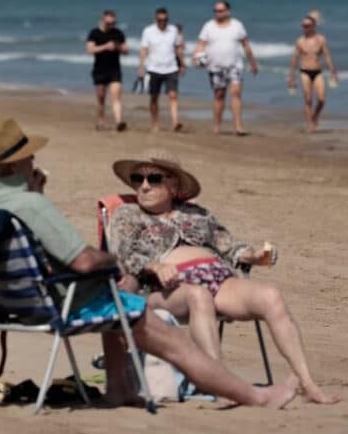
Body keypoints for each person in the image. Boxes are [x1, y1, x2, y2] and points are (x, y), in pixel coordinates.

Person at [0, 117, 297, 408]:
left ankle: (119, 389)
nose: (33, 161)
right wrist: (111, 261)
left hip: (16, 304)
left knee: (114, 297)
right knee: (174, 341)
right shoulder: (32, 207)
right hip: (64, 304)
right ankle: (255, 397)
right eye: (27, 157)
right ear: (12, 166)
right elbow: (83, 260)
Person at [107, 151, 339, 404]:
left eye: (153, 178)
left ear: (174, 185)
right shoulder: (127, 215)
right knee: (199, 296)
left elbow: (229, 246)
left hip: (219, 279)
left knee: (270, 296)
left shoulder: (197, 214)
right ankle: (222, 387)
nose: (144, 185)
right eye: (137, 178)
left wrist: (253, 255)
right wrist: (154, 266)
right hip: (162, 289)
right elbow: (122, 255)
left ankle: (308, 385)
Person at [193, 1, 259, 136]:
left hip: (234, 66)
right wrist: (195, 58)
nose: (218, 13)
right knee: (219, 96)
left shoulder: (237, 26)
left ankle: (239, 127)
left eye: (221, 10)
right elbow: (201, 44)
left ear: (228, 11)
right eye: (216, 10)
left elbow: (246, 45)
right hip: (215, 67)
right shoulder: (208, 26)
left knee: (235, 93)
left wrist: (253, 63)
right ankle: (217, 127)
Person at [138, 7, 186, 132]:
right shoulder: (148, 31)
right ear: (156, 19)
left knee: (173, 95)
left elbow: (178, 48)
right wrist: (141, 67)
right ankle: (155, 124)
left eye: (165, 20)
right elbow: (144, 49)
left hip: (171, 68)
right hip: (153, 68)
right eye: (160, 20)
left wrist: (182, 64)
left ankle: (175, 122)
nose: (162, 22)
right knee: (154, 97)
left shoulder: (173, 30)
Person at [287, 14, 337, 132]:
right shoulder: (300, 41)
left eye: (308, 25)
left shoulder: (321, 39)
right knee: (308, 99)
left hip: (318, 72)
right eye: (303, 26)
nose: (305, 28)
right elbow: (295, 59)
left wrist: (332, 71)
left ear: (314, 26)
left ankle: (315, 117)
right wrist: (291, 76)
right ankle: (310, 124)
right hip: (304, 71)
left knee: (321, 99)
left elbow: (327, 56)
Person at [86, 10, 128, 131]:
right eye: (108, 23)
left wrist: (118, 47)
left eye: (113, 23)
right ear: (103, 20)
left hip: (115, 70)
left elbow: (126, 50)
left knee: (116, 96)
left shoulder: (118, 33)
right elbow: (89, 50)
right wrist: (105, 46)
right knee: (101, 98)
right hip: (99, 70)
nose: (111, 25)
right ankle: (101, 121)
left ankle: (119, 122)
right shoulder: (94, 33)